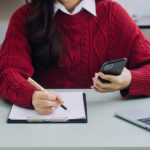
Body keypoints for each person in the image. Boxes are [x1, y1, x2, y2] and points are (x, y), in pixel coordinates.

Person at [0, 0, 150, 115]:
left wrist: (130, 79)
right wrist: (31, 96)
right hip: (46, 124)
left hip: (104, 126)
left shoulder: (114, 14)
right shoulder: (24, 17)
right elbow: (8, 74)